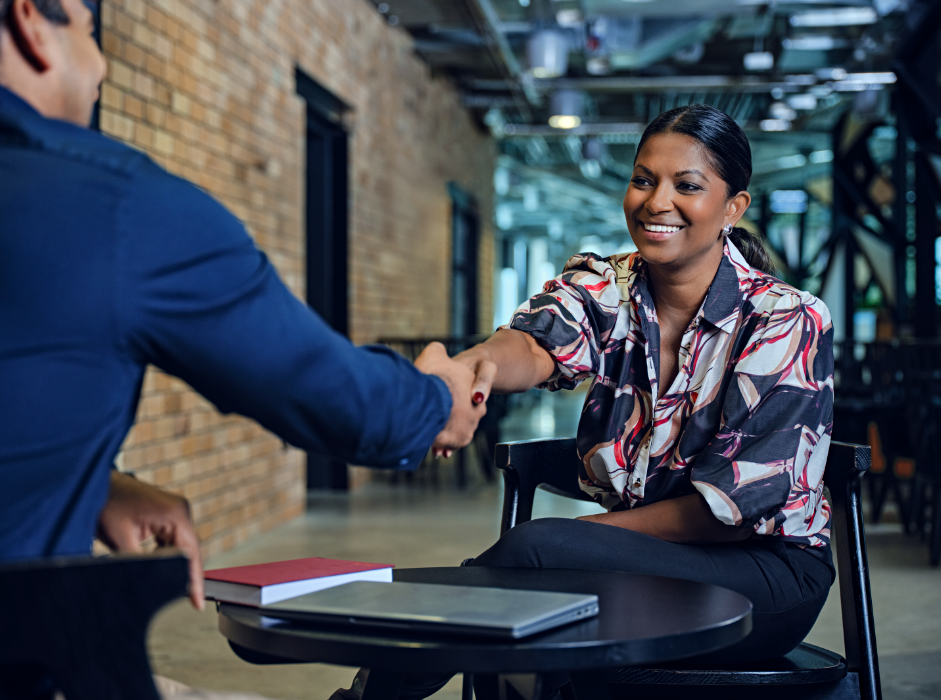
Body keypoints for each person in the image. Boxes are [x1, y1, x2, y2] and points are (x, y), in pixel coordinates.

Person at [0, 0, 495, 695]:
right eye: (88, 31)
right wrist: (438, 399)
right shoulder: (114, 204)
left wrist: (96, 486)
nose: (102, 65)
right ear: (31, 21)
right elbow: (329, 393)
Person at [341, 103, 835, 698]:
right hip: (640, 562)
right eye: (644, 179)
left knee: (537, 556)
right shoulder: (610, 286)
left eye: (687, 186)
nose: (657, 202)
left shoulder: (786, 319)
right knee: (525, 593)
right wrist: (469, 371)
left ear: (733, 207)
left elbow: (727, 513)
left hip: (763, 576)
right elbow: (536, 341)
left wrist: (587, 540)